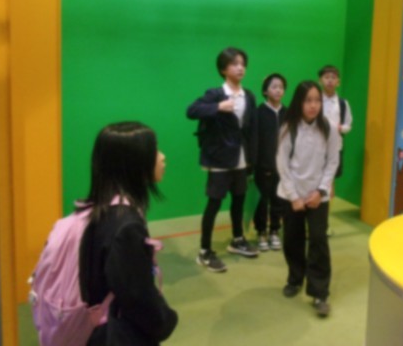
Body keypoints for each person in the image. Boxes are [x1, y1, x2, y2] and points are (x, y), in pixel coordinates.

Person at [78, 121, 178, 345]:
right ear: (133, 162)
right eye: (154, 151)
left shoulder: (98, 209)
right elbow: (137, 297)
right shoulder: (126, 227)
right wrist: (166, 320)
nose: (162, 157)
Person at [187, 47, 259, 273]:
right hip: (218, 158)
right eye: (234, 63)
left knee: (239, 199)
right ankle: (204, 251)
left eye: (243, 63)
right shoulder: (215, 94)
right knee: (214, 203)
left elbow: (251, 128)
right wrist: (218, 107)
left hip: (241, 158)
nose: (240, 67)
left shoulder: (249, 96)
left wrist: (252, 158)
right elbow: (191, 111)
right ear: (223, 69)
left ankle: (237, 240)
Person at [277, 80, 340, 318]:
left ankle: (319, 292)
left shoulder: (329, 128)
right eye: (308, 101)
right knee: (292, 240)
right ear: (299, 103)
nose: (313, 105)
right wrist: (294, 197)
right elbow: (282, 164)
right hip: (291, 195)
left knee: (318, 241)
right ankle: (295, 279)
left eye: (317, 101)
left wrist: (321, 191)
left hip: (317, 197)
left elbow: (332, 161)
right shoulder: (287, 128)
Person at [254, 73, 287, 251]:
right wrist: (255, 164)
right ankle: (261, 232)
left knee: (278, 200)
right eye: (274, 87)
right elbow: (254, 141)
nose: (278, 90)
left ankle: (274, 230)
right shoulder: (259, 112)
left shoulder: (287, 113)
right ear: (265, 91)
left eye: (281, 87)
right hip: (263, 167)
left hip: (282, 167)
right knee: (262, 201)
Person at [318, 65, 353, 235]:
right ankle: (312, 221)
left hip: (335, 149)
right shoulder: (315, 100)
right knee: (313, 182)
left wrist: (340, 128)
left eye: (333, 77)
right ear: (320, 80)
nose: (330, 80)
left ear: (338, 81)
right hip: (315, 149)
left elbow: (348, 125)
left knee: (329, 184)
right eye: (326, 77)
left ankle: (325, 222)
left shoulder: (342, 103)